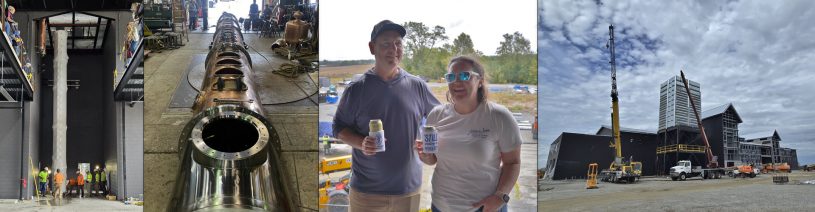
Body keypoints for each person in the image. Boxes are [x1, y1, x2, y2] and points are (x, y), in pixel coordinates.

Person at [333, 20, 440, 212]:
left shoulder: (418, 86)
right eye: (386, 44)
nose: (394, 49)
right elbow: (338, 128)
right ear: (372, 48)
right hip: (366, 194)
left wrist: (431, 152)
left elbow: (441, 120)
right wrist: (361, 142)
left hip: (408, 191)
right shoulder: (356, 90)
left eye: (398, 43)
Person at [417, 56, 522, 212]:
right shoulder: (436, 115)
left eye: (465, 75)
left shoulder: (499, 116)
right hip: (441, 205)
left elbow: (512, 163)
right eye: (451, 77)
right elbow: (433, 159)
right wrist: (426, 156)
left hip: (484, 207)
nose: (457, 82)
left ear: (479, 81)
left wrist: (500, 196)